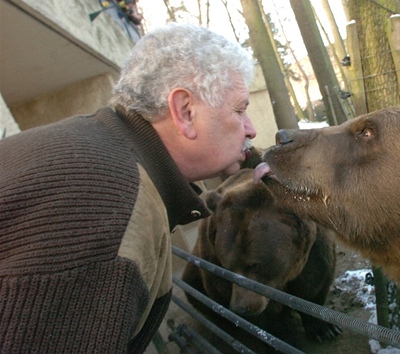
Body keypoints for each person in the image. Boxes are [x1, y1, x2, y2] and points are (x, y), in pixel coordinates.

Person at [0, 23, 256, 353]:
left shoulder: (93, 146)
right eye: (239, 109)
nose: (250, 129)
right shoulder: (109, 210)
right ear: (185, 112)